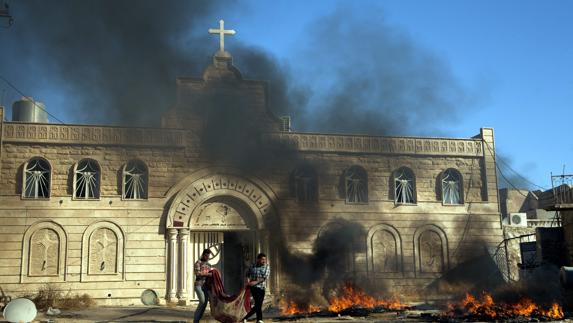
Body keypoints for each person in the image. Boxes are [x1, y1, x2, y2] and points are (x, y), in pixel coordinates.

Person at [242, 253, 270, 323]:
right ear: (258, 259)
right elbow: (247, 274)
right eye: (262, 259)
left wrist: (255, 282)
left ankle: (245, 317)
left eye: (265, 259)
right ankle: (259, 319)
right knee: (258, 303)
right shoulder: (252, 266)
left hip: (262, 288)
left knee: (258, 304)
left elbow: (264, 278)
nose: (264, 261)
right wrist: (248, 281)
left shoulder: (267, 267)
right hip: (254, 288)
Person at [193, 249, 213, 323]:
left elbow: (211, 275)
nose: (208, 257)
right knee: (202, 301)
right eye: (206, 256)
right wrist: (208, 274)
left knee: (204, 305)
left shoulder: (209, 265)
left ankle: (197, 320)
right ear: (203, 255)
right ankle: (195, 320)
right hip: (198, 285)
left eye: (208, 256)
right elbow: (197, 273)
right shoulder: (198, 263)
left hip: (206, 286)